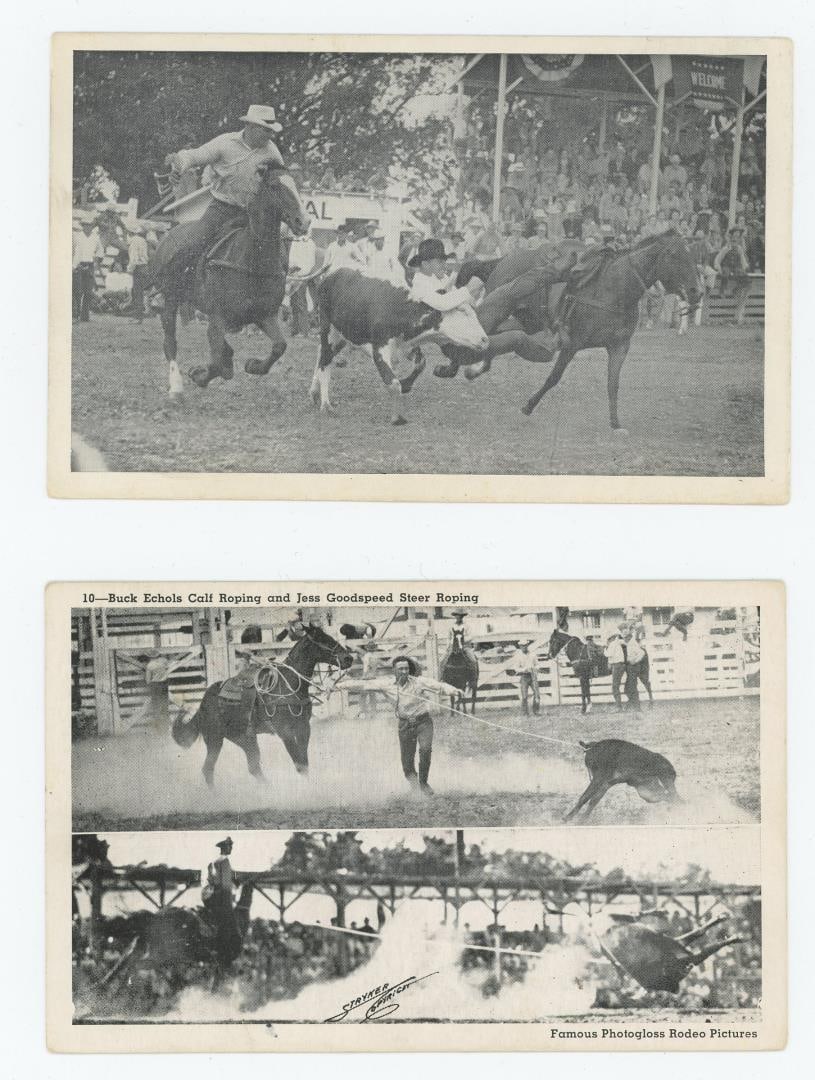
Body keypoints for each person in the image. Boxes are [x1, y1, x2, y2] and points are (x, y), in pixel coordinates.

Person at [162, 104, 286, 269]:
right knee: (194, 244)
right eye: (266, 130)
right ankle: (168, 281)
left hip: (254, 214)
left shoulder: (273, 152)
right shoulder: (225, 143)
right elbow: (195, 156)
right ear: (250, 126)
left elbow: (282, 180)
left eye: (272, 131)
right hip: (221, 210)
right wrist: (179, 165)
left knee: (279, 253)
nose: (270, 135)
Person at [364, 656, 459, 795]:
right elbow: (361, 685)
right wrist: (336, 686)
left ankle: (424, 783)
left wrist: (453, 690)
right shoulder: (386, 685)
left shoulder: (419, 682)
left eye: (406, 668)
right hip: (405, 725)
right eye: (401, 669)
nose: (404, 671)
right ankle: (415, 788)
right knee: (407, 762)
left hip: (423, 722)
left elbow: (438, 686)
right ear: (394, 671)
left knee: (425, 750)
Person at [408, 238, 484, 313]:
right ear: (426, 264)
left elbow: (454, 293)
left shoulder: (442, 277)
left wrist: (471, 299)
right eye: (440, 262)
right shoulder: (419, 284)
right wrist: (468, 289)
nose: (445, 266)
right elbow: (442, 303)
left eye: (445, 261)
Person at [202, 837, 241, 962]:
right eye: (230, 847)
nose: (231, 849)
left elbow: (214, 880)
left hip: (216, 897)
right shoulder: (225, 861)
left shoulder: (216, 861)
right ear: (226, 848)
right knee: (232, 926)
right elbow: (224, 884)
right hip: (224, 898)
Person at [714, 226, 751, 324]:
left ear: (739, 239)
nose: (735, 240)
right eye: (734, 238)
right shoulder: (726, 248)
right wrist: (718, 268)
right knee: (725, 272)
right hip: (727, 266)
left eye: (737, 238)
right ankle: (722, 290)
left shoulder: (739, 249)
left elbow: (743, 260)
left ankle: (736, 289)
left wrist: (745, 267)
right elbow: (718, 259)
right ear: (730, 238)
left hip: (736, 267)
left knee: (742, 275)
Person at [72, 213, 103, 321]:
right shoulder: (77, 236)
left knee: (88, 291)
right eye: (85, 225)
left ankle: (85, 315)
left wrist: (97, 259)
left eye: (90, 225)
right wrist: (73, 265)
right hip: (78, 264)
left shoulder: (96, 237)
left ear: (92, 226)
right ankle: (75, 314)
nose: (88, 227)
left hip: (89, 265)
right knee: (77, 290)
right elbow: (74, 251)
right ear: (83, 226)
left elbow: (100, 250)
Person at [510, 640, 540, 716]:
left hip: (533, 675)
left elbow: (538, 665)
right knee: (524, 696)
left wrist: (534, 668)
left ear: (527, 645)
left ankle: (536, 711)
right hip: (524, 676)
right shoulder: (518, 656)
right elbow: (516, 668)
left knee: (537, 694)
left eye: (525, 645)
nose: (524, 647)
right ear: (520, 647)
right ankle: (525, 713)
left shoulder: (533, 654)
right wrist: (524, 669)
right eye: (522, 646)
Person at [126, 225, 150, 320]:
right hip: (144, 267)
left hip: (138, 268)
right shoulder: (143, 241)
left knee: (137, 293)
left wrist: (130, 269)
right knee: (139, 292)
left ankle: (137, 316)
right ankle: (138, 314)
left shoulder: (134, 241)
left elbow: (134, 258)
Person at [606, 627, 628, 713]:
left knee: (615, 686)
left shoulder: (612, 644)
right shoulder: (618, 643)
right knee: (616, 686)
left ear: (611, 638)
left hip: (617, 665)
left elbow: (608, 654)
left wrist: (605, 649)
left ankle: (618, 707)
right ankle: (619, 706)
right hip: (621, 665)